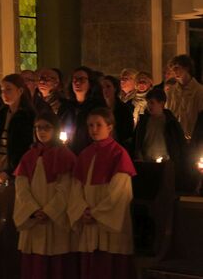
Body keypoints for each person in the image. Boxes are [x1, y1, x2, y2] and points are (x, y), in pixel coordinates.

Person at [68, 107, 136, 279]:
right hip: (89, 217)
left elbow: (120, 192)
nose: (94, 129)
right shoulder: (85, 154)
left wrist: (96, 214)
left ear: (110, 127)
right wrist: (82, 210)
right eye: (90, 125)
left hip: (108, 221)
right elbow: (76, 188)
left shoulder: (119, 154)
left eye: (99, 125)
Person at [14, 112, 77, 279]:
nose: (42, 131)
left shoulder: (65, 155)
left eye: (46, 127)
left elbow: (66, 188)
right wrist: (33, 210)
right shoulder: (29, 156)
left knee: (56, 264)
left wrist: (49, 211)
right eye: (38, 128)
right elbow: (21, 187)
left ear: (55, 129)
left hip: (55, 219)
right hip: (34, 218)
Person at [0, 74, 35, 186]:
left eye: (8, 89)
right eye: (2, 90)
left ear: (20, 91)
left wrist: (9, 172)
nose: (4, 94)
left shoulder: (28, 117)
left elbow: (26, 148)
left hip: (17, 173)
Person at [133, 89, 187, 191]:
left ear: (161, 103)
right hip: (147, 163)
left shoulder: (170, 122)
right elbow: (138, 140)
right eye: (148, 102)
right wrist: (139, 154)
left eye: (152, 103)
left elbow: (178, 144)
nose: (149, 105)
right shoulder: (144, 122)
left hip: (165, 164)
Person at [68, 66, 105, 154]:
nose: (77, 82)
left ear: (90, 83)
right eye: (75, 79)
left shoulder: (98, 107)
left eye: (82, 79)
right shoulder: (67, 107)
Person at [166, 54, 203, 139]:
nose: (174, 72)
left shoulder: (199, 91)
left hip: (194, 139)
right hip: (175, 138)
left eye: (177, 68)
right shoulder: (171, 92)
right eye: (172, 69)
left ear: (186, 68)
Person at [37, 68, 75, 142]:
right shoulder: (34, 102)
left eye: (48, 79)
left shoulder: (64, 106)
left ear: (57, 83)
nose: (42, 82)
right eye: (41, 78)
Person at [100, 75, 134, 148]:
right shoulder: (99, 108)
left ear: (115, 88)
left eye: (108, 86)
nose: (105, 89)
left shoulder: (124, 109)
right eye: (102, 87)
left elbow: (128, 131)